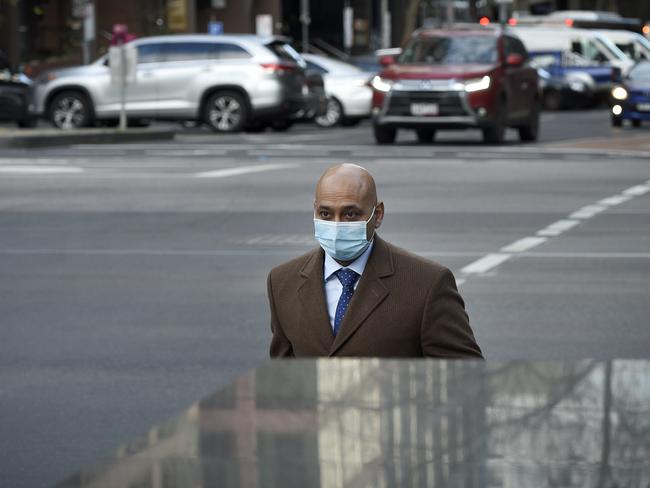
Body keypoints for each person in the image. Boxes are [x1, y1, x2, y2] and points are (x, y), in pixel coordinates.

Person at [267, 163, 483, 358]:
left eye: (350, 214)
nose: (336, 225)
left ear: (377, 215)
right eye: (325, 214)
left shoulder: (427, 283)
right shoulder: (282, 282)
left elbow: (466, 378)